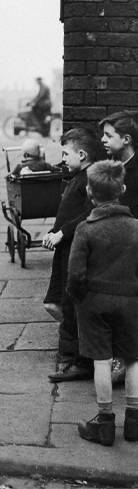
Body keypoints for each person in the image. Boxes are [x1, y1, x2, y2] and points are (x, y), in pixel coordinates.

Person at [68, 160, 138, 446]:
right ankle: (134, 419)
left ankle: (104, 422)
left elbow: (75, 274)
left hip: (94, 301)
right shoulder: (136, 227)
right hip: (131, 301)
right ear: (122, 189)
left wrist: (79, 297)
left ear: (88, 191)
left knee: (101, 359)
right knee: (134, 358)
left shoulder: (85, 229)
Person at [42, 127, 99, 381]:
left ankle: (75, 359)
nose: (63, 159)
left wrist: (62, 233)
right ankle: (75, 348)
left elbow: (87, 215)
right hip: (63, 249)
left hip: (74, 249)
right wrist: (54, 232)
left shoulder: (90, 178)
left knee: (70, 301)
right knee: (54, 302)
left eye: (66, 154)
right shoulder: (78, 176)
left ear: (83, 154)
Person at [100, 110, 138, 384]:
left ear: (126, 139)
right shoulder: (113, 165)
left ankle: (126, 359)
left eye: (108, 135)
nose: (102, 139)